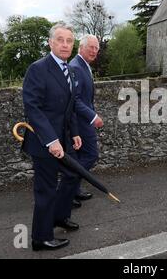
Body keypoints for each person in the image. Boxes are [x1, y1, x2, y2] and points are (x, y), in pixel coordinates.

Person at [22, 23, 82, 251]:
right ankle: (41, 237)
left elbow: (70, 106)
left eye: (69, 40)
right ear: (50, 42)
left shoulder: (71, 70)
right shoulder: (38, 69)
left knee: (71, 175)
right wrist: (51, 140)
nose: (65, 44)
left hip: (65, 139)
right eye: (60, 39)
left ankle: (58, 216)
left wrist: (74, 132)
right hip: (43, 142)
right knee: (45, 190)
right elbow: (33, 108)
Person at [69, 34, 103, 207]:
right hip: (80, 123)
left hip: (82, 121)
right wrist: (93, 116)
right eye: (91, 47)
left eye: (97, 48)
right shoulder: (75, 67)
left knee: (80, 157)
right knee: (91, 155)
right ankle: (67, 190)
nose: (95, 51)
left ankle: (73, 190)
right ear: (81, 47)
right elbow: (75, 100)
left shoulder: (84, 66)